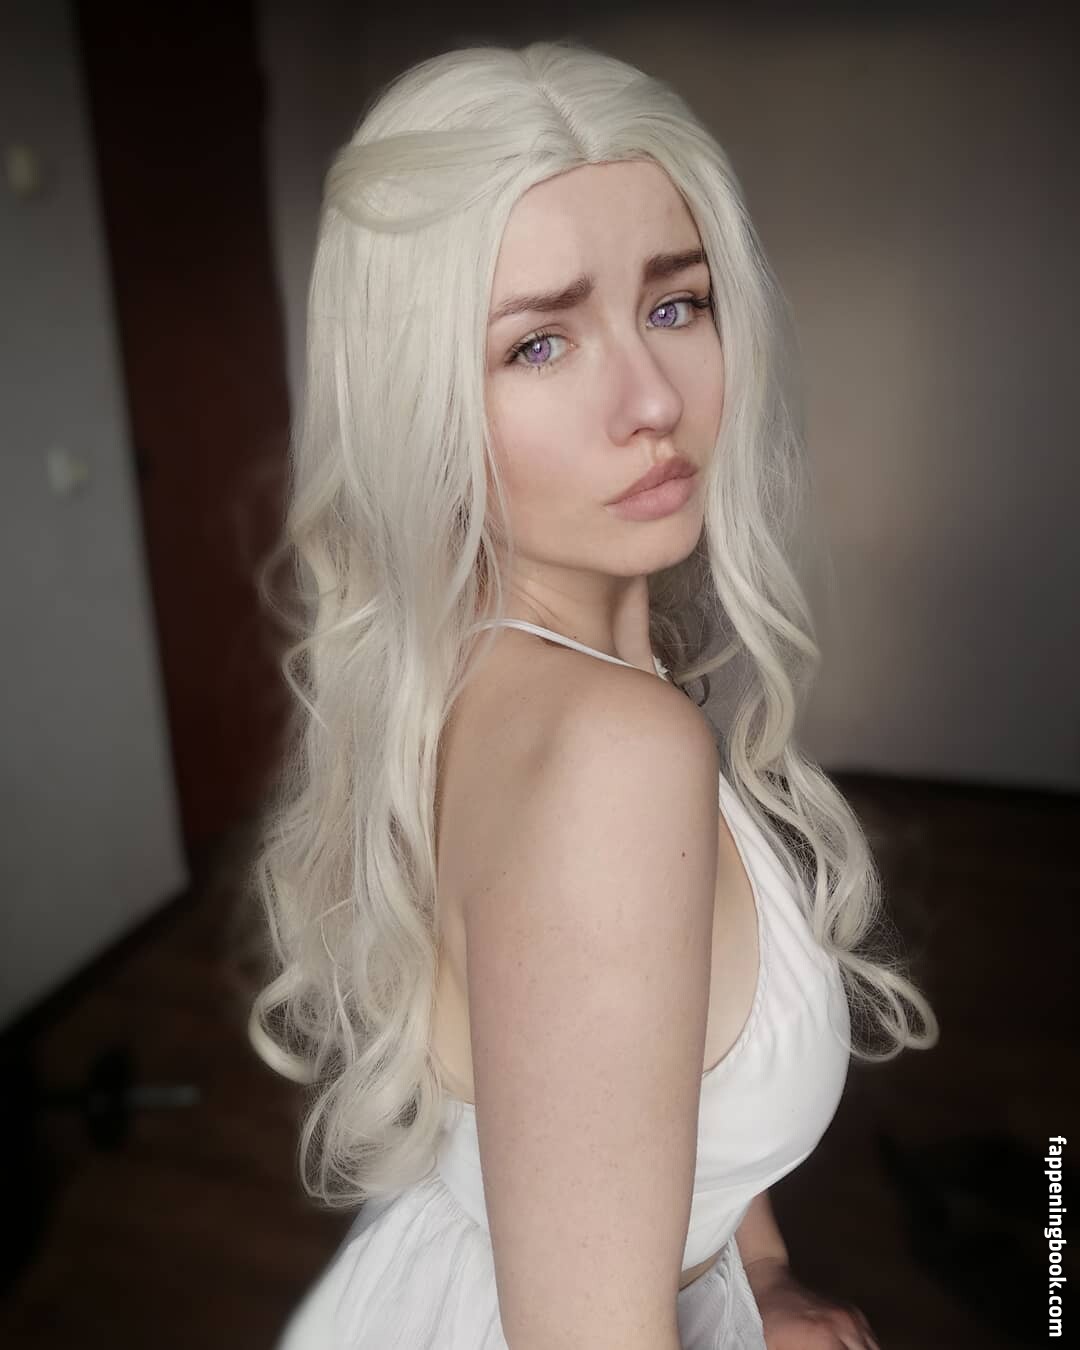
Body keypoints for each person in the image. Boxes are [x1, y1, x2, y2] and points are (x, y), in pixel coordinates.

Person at [248, 37, 939, 1350]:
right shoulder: (614, 751)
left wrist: (763, 1270)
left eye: (676, 306)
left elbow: (638, 1065)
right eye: (540, 344)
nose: (651, 402)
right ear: (417, 399)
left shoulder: (506, 665)